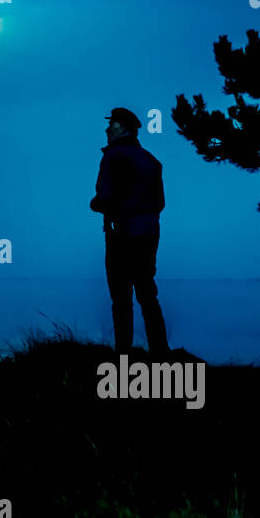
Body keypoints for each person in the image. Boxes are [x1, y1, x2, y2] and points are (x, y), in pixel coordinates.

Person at [90, 107, 168, 357]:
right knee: (147, 294)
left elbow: (105, 196)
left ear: (122, 127)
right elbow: (160, 203)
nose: (107, 129)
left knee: (121, 298)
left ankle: (123, 353)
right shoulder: (151, 160)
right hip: (148, 233)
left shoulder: (114, 156)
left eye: (111, 124)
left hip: (121, 234)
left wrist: (96, 204)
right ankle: (160, 350)